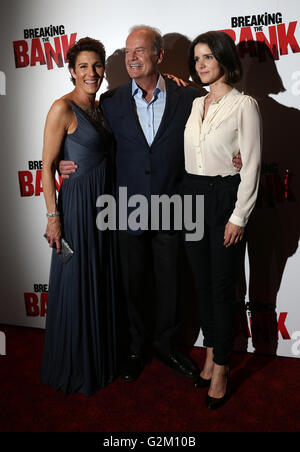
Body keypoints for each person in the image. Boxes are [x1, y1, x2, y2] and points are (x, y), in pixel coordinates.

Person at [60, 26, 242, 383]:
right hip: (126, 207)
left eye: (141, 51)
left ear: (159, 56)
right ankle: (136, 347)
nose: (132, 57)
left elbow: (217, 126)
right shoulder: (109, 102)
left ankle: (167, 346)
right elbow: (84, 134)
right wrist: (62, 161)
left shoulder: (187, 96)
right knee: (132, 283)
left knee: (170, 284)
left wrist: (234, 155)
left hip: (174, 206)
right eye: (128, 52)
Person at [183, 31, 261, 409]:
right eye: (196, 58)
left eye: (208, 57)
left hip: (225, 199)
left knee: (221, 285)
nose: (201, 64)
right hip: (191, 197)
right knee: (200, 282)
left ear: (224, 60)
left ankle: (224, 367)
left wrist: (239, 215)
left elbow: (252, 165)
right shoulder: (195, 103)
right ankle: (211, 351)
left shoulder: (244, 105)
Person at [41, 37, 119, 396]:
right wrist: (53, 216)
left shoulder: (103, 108)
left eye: (97, 65)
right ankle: (75, 364)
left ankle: (101, 357)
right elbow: (45, 167)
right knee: (76, 282)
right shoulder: (62, 108)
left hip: (105, 206)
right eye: (83, 66)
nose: (91, 73)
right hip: (76, 207)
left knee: (100, 277)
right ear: (72, 71)